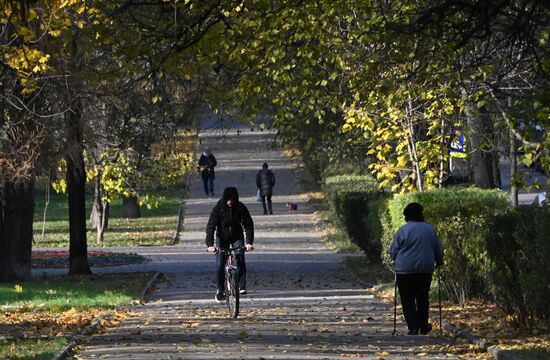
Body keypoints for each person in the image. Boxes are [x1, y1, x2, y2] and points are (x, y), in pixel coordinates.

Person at [389, 202, 444, 335]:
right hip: (425, 269)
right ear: (421, 215)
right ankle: (423, 326)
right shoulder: (430, 229)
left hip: (405, 269)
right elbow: (438, 249)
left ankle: (413, 326)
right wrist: (439, 261)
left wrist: (394, 260)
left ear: (406, 217)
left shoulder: (402, 230)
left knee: (407, 298)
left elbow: (393, 251)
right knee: (422, 297)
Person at [206, 187, 254, 302]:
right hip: (222, 238)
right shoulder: (219, 208)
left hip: (237, 237)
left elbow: (248, 225)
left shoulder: (240, 207)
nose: (230, 202)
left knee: (240, 257)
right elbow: (211, 226)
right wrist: (210, 245)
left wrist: (249, 243)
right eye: (228, 200)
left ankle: (242, 286)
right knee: (220, 264)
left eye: (232, 200)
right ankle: (219, 290)